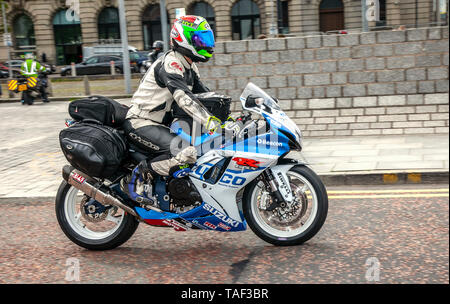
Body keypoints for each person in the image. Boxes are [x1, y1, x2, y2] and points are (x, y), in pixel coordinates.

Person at [121, 15, 240, 202]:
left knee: (206, 146)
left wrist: (230, 120)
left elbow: (206, 98)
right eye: (200, 40)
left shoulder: (189, 66)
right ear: (182, 39)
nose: (206, 44)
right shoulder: (171, 63)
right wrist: (210, 123)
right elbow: (184, 98)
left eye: (207, 39)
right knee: (187, 153)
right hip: (141, 122)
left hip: (161, 124)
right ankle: (136, 176)